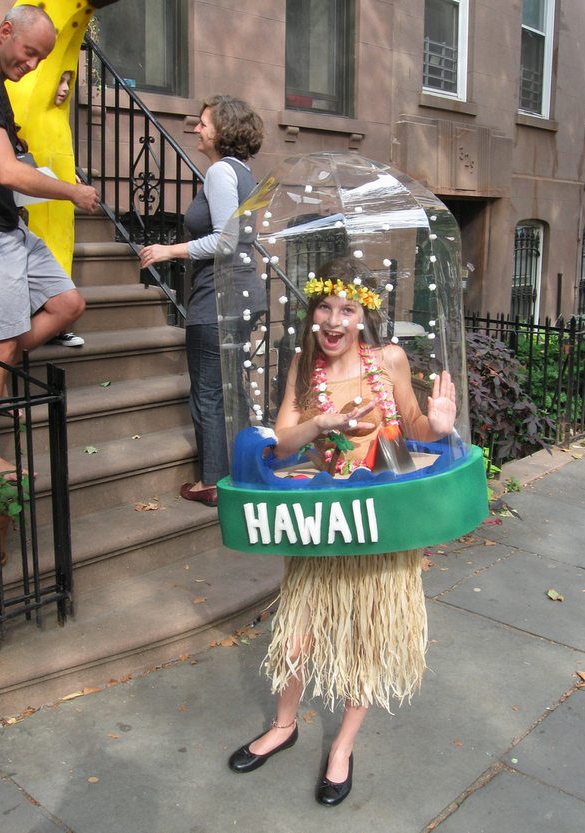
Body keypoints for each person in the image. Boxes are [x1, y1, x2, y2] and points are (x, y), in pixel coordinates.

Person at [227, 258, 457, 806]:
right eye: (325, 309)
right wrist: (319, 424)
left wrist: (437, 426)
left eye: (346, 310)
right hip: (322, 521)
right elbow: (280, 444)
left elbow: (413, 426)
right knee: (296, 636)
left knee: (365, 637)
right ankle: (284, 727)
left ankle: (342, 748)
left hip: (381, 522)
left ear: (363, 315)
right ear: (312, 314)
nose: (334, 321)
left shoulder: (389, 359)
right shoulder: (304, 366)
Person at [140, 94, 264, 508]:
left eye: (203, 123)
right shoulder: (244, 173)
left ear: (223, 130)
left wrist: (168, 250)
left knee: (209, 392)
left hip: (218, 297)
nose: (196, 128)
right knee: (233, 390)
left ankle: (211, 482)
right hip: (244, 295)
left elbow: (225, 241)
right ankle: (242, 472)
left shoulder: (220, 171)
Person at [0, 5, 99, 475]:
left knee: (67, 304)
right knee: (4, 343)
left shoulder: (3, 87)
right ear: (5, 31)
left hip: (13, 223)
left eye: (41, 57)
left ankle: (3, 368)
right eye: (29, 52)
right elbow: (4, 170)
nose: (33, 64)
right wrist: (70, 191)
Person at [44, 70, 84, 348]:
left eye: (69, 82)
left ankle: (57, 328)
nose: (65, 88)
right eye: (60, 80)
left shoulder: (59, 122)